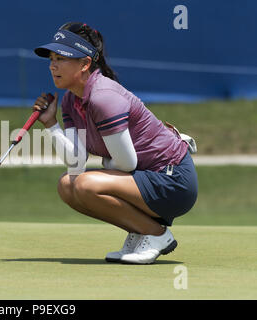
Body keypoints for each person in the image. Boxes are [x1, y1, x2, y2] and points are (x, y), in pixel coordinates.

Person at [32, 22, 198, 264]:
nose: (52, 65)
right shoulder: (70, 101)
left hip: (173, 181)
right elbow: (76, 162)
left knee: (86, 185)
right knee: (67, 186)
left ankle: (156, 235)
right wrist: (51, 125)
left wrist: (101, 167)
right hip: (144, 179)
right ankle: (141, 231)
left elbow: (126, 162)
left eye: (61, 58)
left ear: (85, 63)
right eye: (52, 58)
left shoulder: (103, 97)